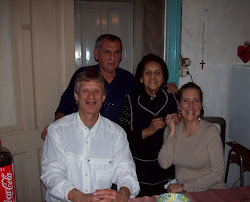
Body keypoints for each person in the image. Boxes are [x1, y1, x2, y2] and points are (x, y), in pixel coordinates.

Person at [41, 34, 178, 140]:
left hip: (118, 141)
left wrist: (167, 88)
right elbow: (65, 106)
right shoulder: (83, 76)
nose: (112, 57)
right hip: (85, 137)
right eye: (107, 52)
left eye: (117, 52)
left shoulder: (128, 79)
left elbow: (147, 95)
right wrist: (55, 127)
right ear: (96, 54)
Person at [40, 68, 140, 202]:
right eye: (85, 91)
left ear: (104, 96)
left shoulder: (117, 134)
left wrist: (124, 193)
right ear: (76, 95)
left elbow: (125, 171)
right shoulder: (57, 130)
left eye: (96, 91)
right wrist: (82, 197)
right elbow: (52, 174)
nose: (91, 96)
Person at [118, 54, 180, 197]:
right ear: (141, 78)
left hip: (168, 170)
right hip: (139, 171)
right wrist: (147, 131)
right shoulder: (131, 100)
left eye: (157, 72)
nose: (153, 76)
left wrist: (180, 120)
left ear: (164, 78)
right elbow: (121, 137)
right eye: (148, 72)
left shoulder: (172, 97)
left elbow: (194, 114)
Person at [158, 82, 226, 193]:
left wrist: (184, 187)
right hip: (185, 192)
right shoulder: (171, 129)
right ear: (178, 104)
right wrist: (172, 132)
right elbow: (164, 164)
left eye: (196, 101)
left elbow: (218, 174)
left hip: (211, 190)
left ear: (201, 104)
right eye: (186, 101)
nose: (191, 106)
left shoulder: (210, 131)